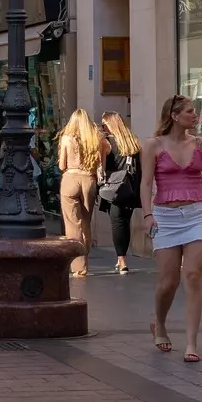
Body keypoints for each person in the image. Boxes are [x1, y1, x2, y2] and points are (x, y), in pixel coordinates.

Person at [139, 95, 202, 363]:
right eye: (190, 112)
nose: (195, 116)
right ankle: (161, 324)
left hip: (197, 213)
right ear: (174, 116)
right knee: (168, 282)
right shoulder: (153, 145)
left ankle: (191, 343)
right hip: (165, 216)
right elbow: (145, 184)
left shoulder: (200, 144)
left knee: (192, 275)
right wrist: (147, 215)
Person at [57, 110, 104, 278]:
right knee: (85, 222)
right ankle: (85, 257)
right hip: (89, 181)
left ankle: (78, 266)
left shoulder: (66, 139)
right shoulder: (96, 139)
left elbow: (62, 165)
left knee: (72, 224)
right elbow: (101, 163)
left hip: (70, 178)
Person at [97, 112, 144, 274]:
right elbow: (141, 167)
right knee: (125, 222)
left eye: (104, 125)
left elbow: (101, 168)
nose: (103, 128)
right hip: (130, 187)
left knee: (117, 223)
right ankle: (122, 257)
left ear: (110, 125)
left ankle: (122, 259)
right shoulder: (133, 141)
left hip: (114, 188)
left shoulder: (106, 143)